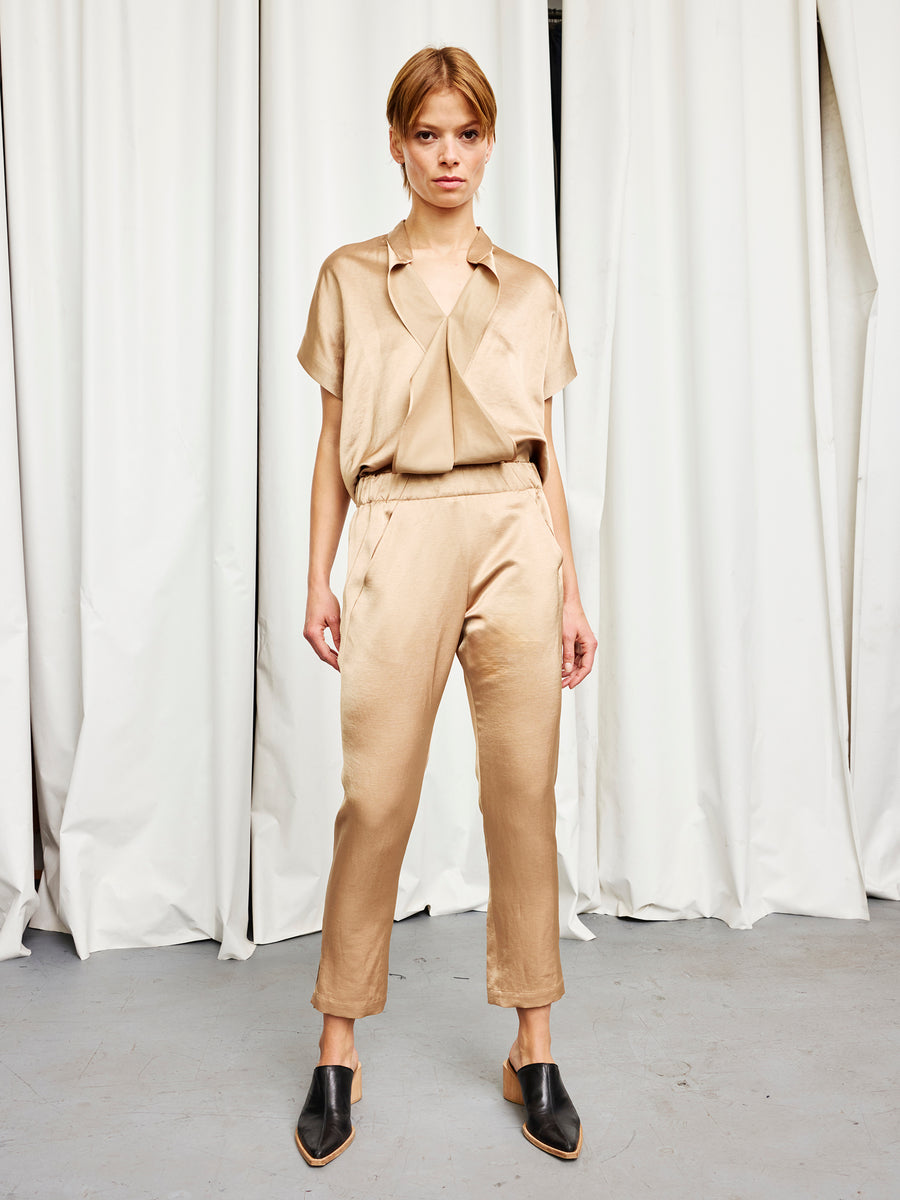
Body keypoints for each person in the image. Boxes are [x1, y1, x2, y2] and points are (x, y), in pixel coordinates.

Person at [294, 45, 597, 1168]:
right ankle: (338, 1042)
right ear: (395, 143)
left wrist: (572, 584)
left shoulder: (525, 286)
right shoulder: (346, 276)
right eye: (428, 133)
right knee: (375, 795)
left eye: (467, 133)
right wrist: (318, 573)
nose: (448, 155)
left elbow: (544, 451)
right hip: (394, 526)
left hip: (515, 534)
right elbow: (330, 446)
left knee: (523, 790)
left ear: (489, 141)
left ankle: (535, 1041)